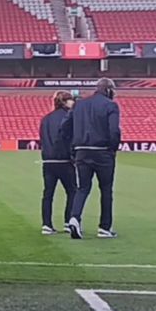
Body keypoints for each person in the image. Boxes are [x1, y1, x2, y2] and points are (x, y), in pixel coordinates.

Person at [62, 78, 121, 240]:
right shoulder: (110, 106)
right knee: (106, 189)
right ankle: (104, 227)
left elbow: (65, 127)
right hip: (102, 152)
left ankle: (74, 218)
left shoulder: (79, 104)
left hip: (82, 151)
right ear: (108, 90)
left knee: (83, 188)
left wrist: (72, 147)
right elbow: (114, 130)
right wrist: (112, 149)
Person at [38, 91, 77, 235]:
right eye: (71, 100)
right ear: (65, 102)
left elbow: (42, 138)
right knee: (72, 191)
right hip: (64, 160)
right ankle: (68, 222)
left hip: (48, 160)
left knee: (48, 193)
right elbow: (70, 138)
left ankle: (46, 224)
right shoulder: (69, 117)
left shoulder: (46, 119)